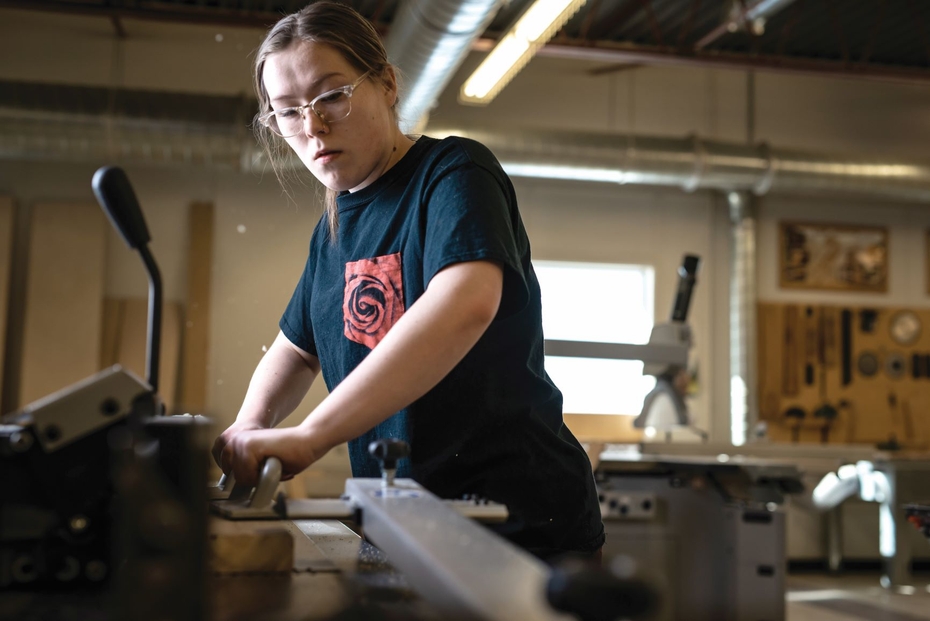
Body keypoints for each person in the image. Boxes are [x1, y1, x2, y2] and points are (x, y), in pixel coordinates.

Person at [213, 0, 604, 561]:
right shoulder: (333, 231)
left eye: (331, 95)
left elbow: (464, 303)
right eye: (289, 112)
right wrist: (249, 427)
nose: (313, 125)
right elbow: (296, 351)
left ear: (388, 84)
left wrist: (310, 436)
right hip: (401, 526)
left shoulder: (453, 174)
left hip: (512, 523)